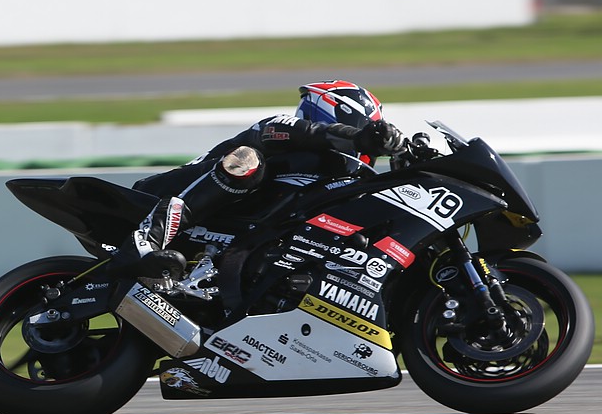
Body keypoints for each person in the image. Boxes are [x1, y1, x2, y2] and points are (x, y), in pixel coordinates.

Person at [121, 79, 407, 276]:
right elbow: (309, 132)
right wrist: (358, 136)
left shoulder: (331, 179)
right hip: (158, 194)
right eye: (367, 127)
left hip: (234, 231)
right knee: (248, 161)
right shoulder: (281, 127)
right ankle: (146, 240)